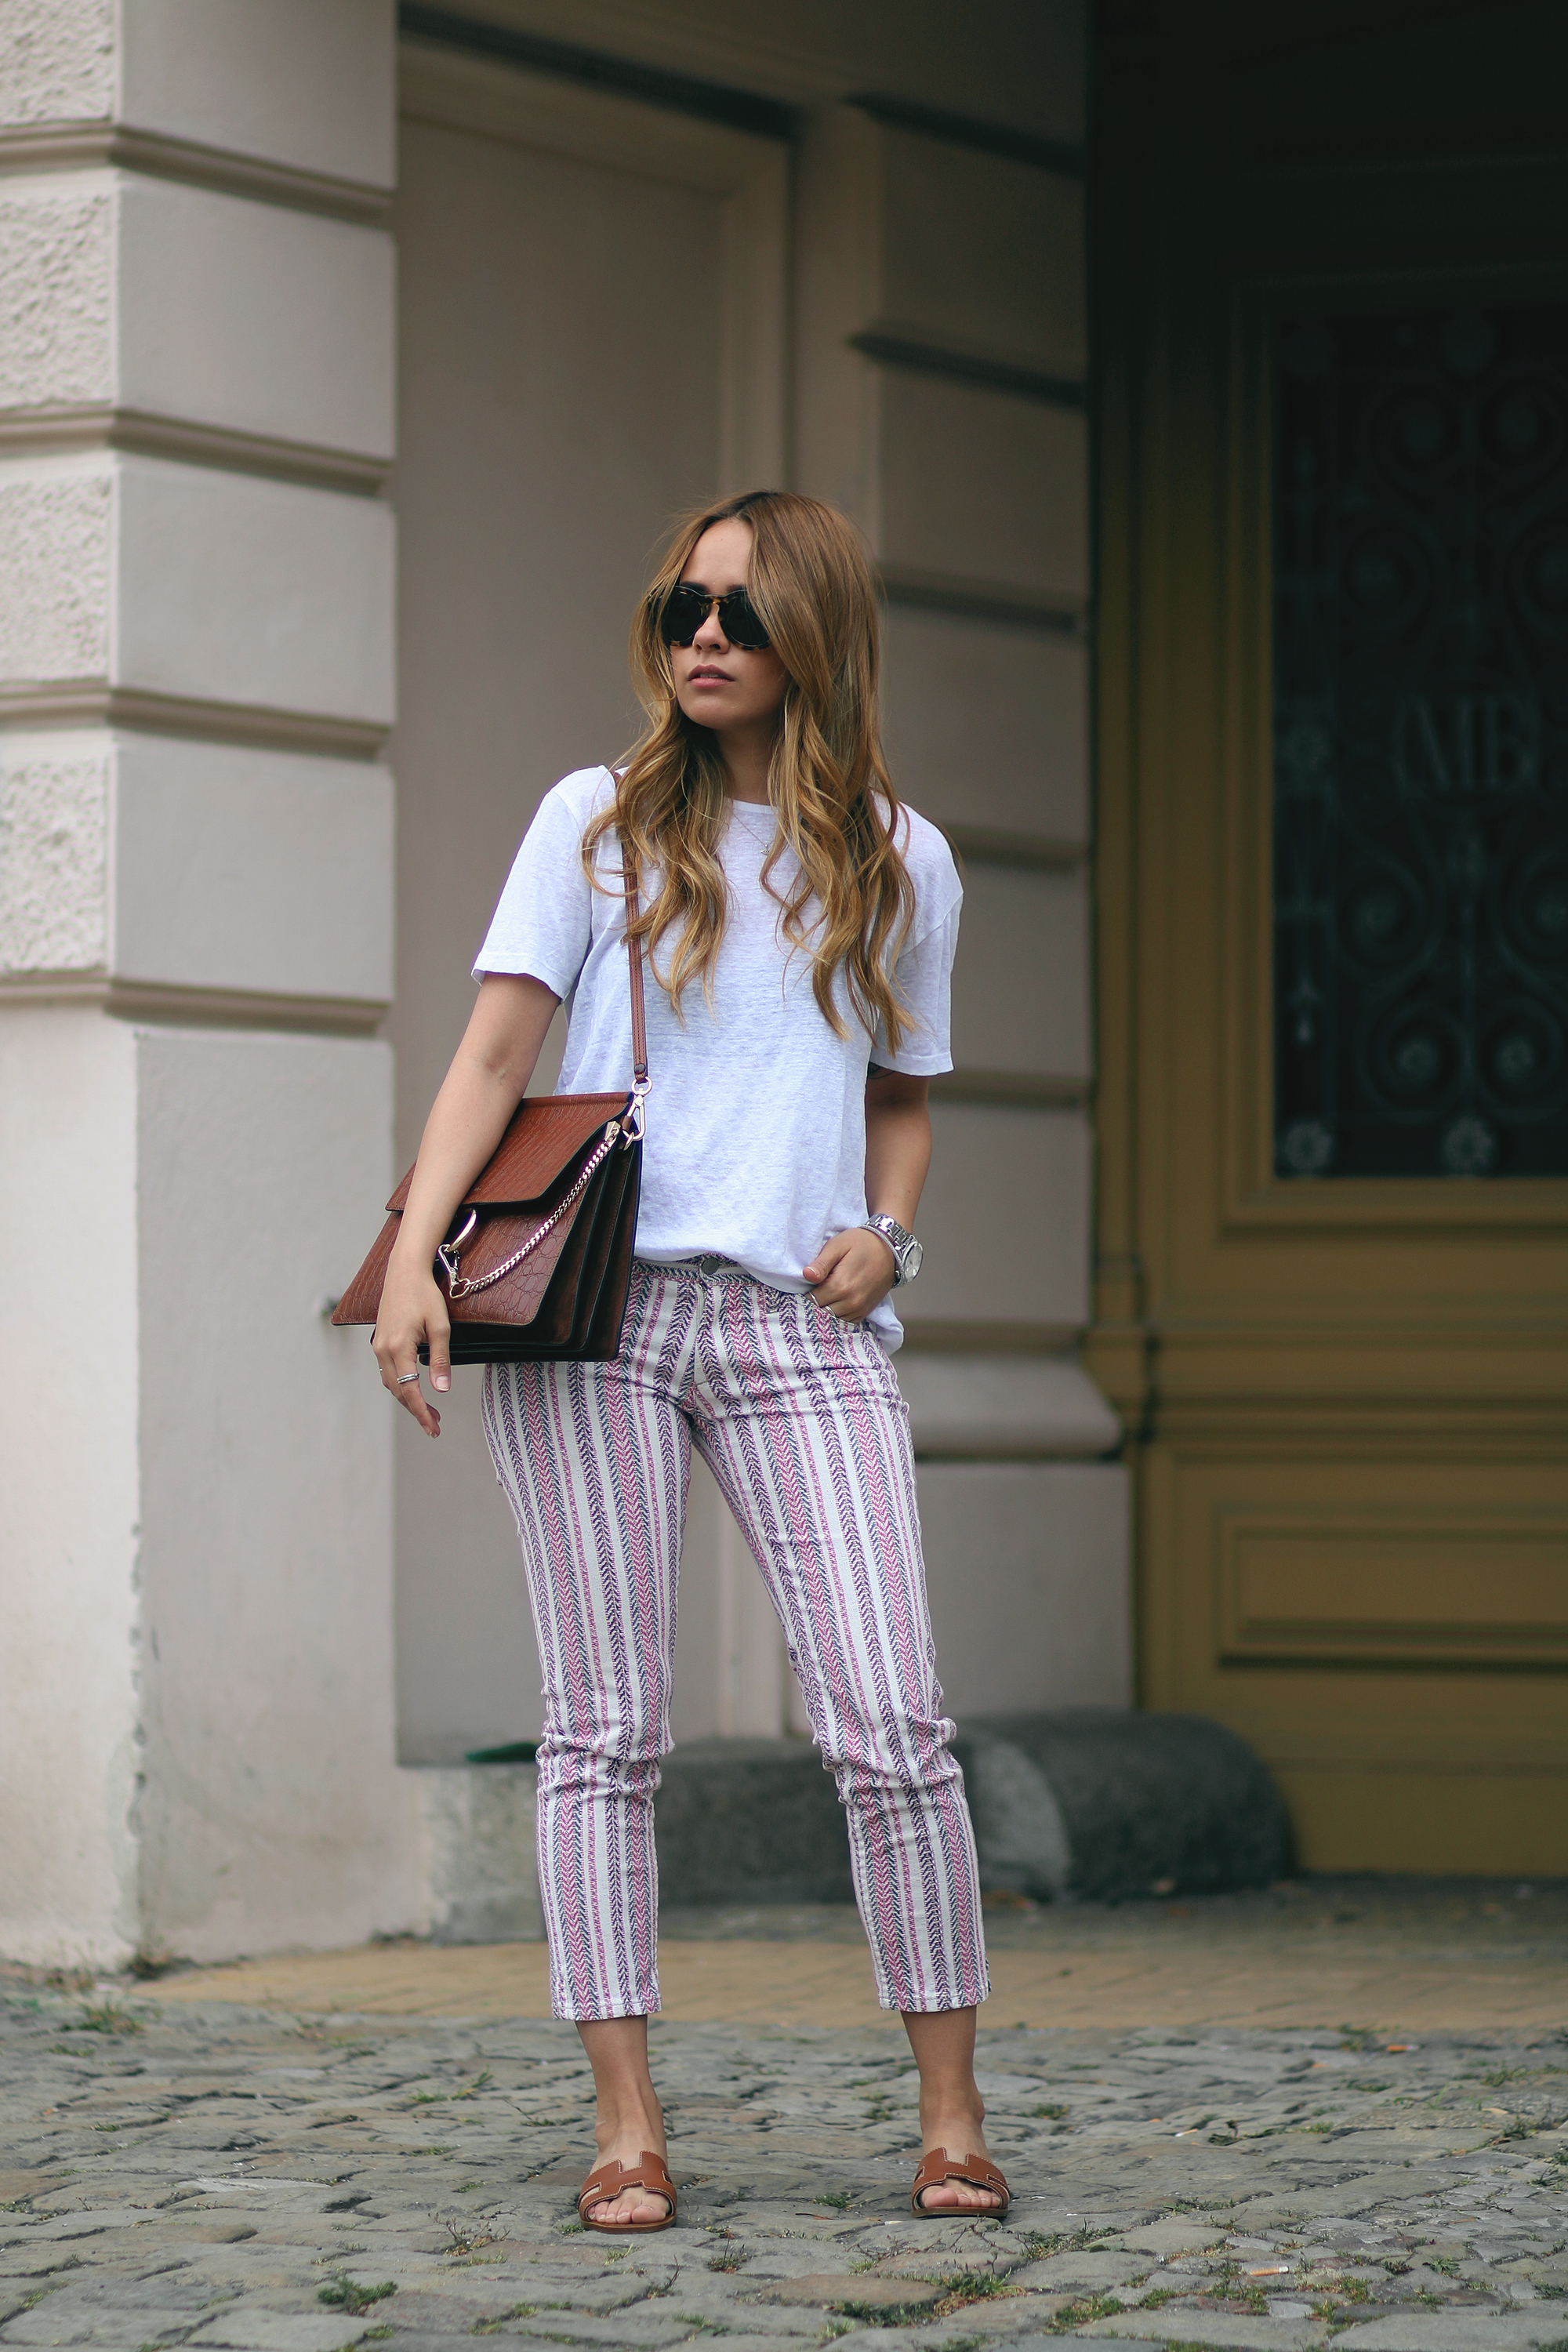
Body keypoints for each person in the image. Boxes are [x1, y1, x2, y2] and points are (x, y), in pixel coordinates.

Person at [372, 489, 1007, 2232]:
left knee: (893, 1725)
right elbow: (495, 1056)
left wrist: (891, 1233)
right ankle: (627, 2127)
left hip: (805, 1319)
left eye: (735, 608)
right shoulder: (595, 824)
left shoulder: (899, 857)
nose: (701, 636)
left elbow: (901, 1097)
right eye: (679, 608)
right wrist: (420, 1256)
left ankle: (951, 2119)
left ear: (814, 632)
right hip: (600, 1318)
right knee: (604, 1730)